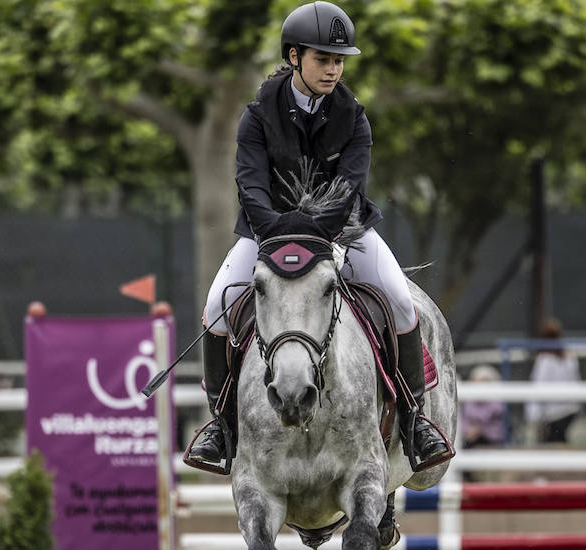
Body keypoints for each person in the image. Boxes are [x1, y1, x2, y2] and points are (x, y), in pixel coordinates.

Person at [185, 1, 452, 474]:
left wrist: (317, 235)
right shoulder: (257, 116)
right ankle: (221, 428)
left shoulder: (355, 118)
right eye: (323, 59)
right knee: (215, 306)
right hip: (265, 231)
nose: (333, 69)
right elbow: (250, 186)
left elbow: (349, 188)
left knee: (400, 300)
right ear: (293, 57)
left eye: (338, 60)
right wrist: (276, 232)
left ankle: (414, 420)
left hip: (342, 230)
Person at [526, 318, 582, 443]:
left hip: (553, 412)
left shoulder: (545, 360)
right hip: (569, 409)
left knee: (551, 444)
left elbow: (539, 387)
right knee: (559, 440)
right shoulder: (569, 356)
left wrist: (534, 416)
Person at [460, 364, 507, 448]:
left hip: (491, 443)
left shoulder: (496, 403)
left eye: (481, 381)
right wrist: (468, 430)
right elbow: (463, 422)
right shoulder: (468, 401)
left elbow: (496, 428)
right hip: (470, 442)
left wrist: (479, 430)